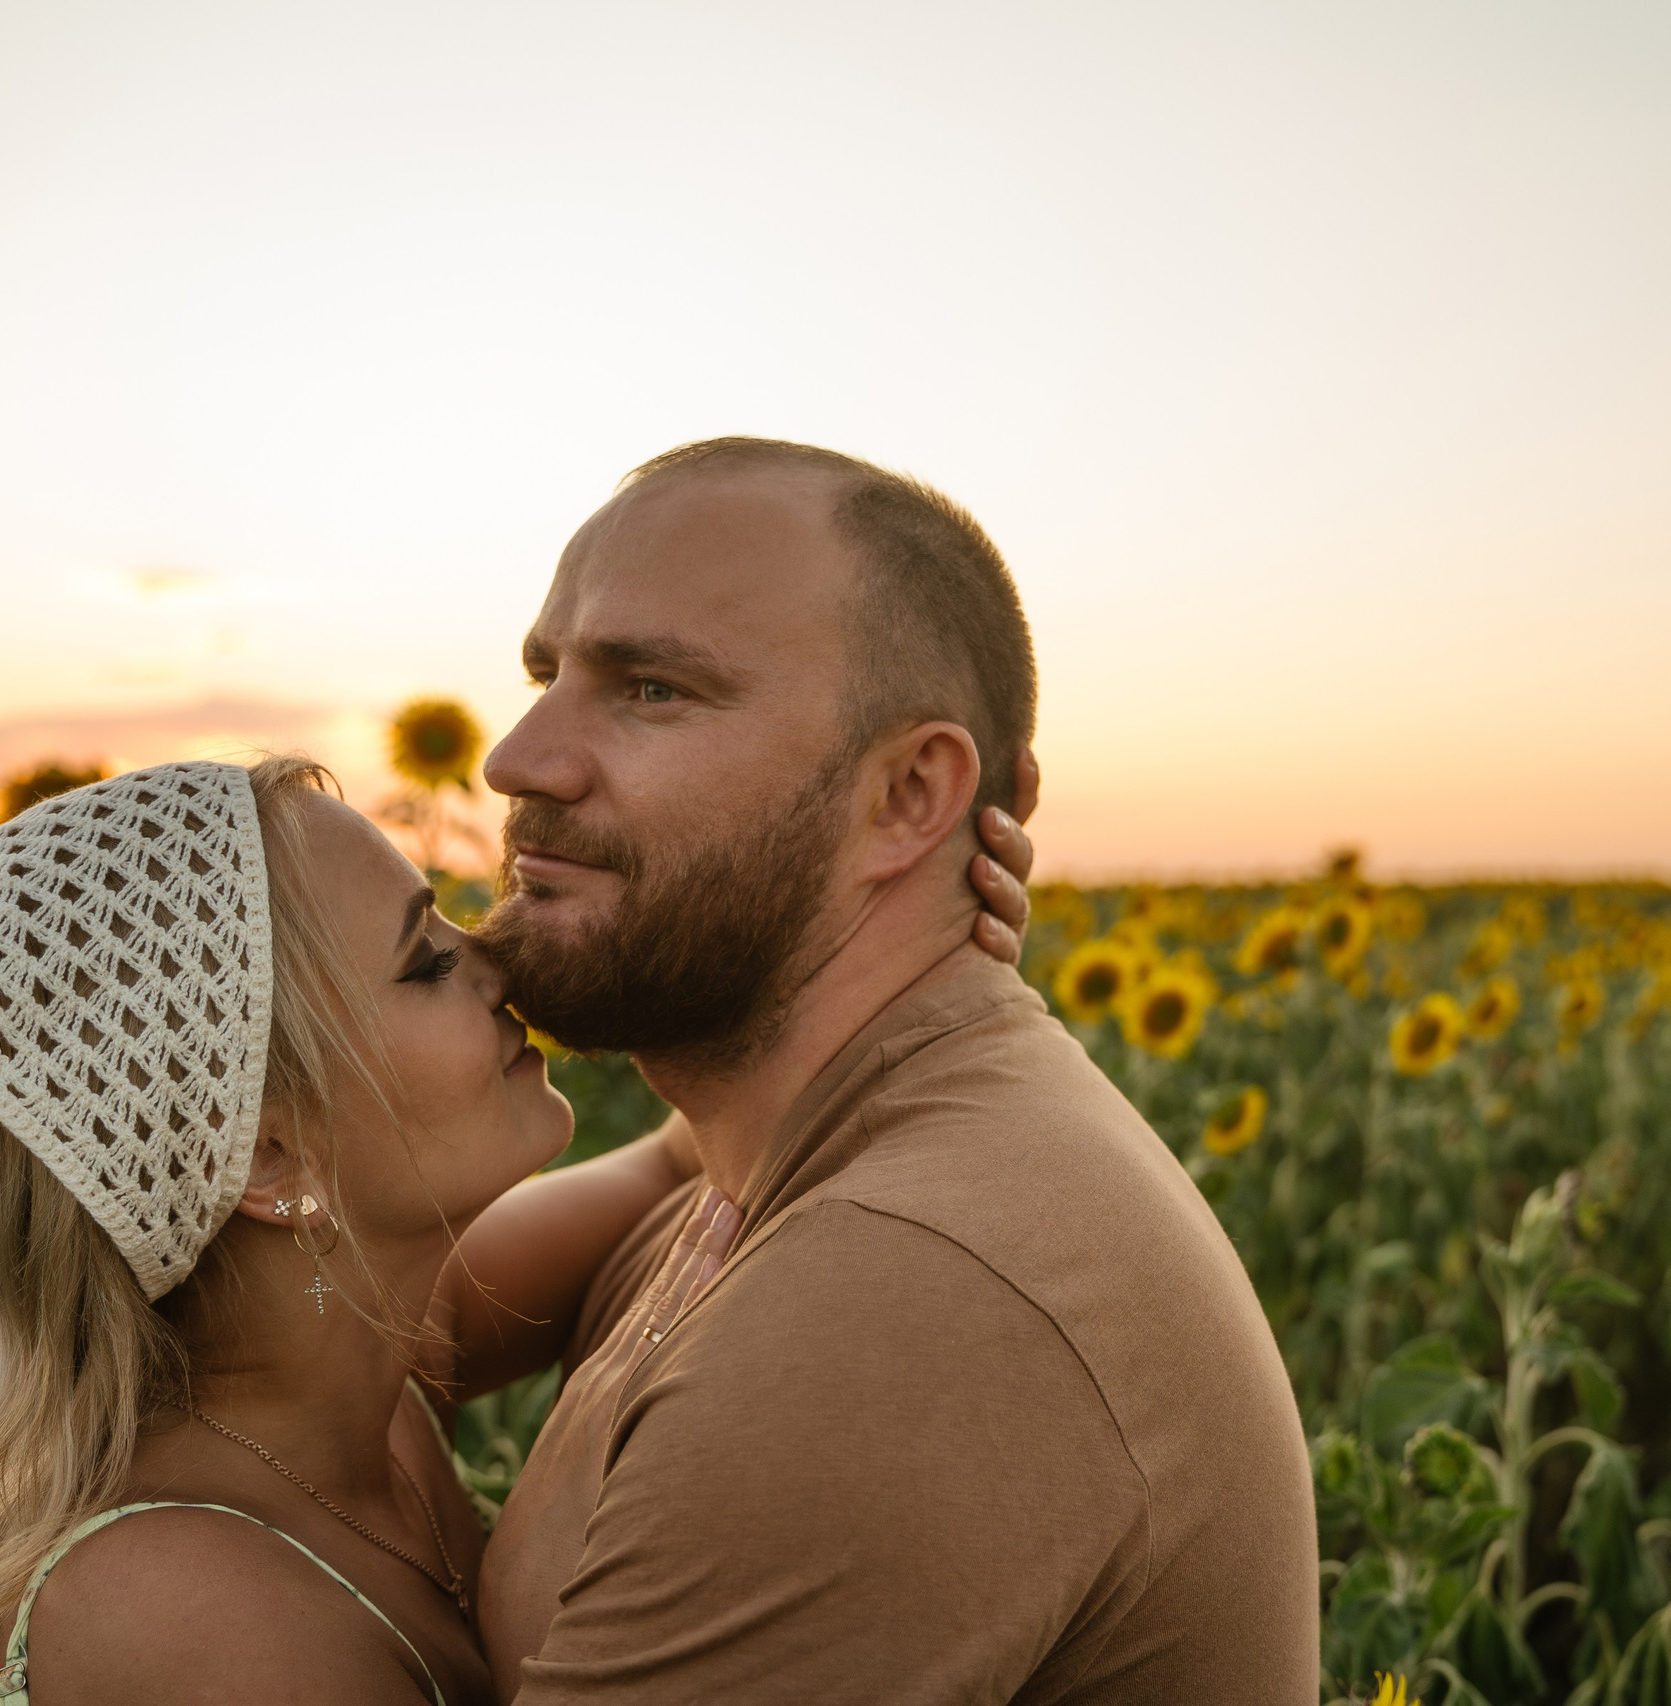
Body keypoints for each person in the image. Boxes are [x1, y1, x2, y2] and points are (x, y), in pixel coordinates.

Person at [0, 752, 1034, 1706]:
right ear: (266, 1155)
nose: (495, 954)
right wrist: (571, 1538)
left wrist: (879, 922)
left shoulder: (359, 1377)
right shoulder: (176, 1610)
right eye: (423, 957)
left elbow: (704, 1144)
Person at [469, 438, 1320, 1702]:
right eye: (548, 674)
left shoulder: (898, 1290)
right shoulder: (779, 1154)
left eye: (650, 688)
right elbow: (306, 1340)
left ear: (909, 794)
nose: (518, 758)